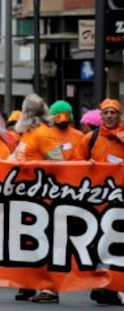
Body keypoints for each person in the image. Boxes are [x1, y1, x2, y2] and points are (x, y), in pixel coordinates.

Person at [9, 94, 63, 303]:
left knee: (43, 242)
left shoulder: (43, 135)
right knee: (28, 243)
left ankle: (49, 289)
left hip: (41, 199)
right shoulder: (28, 133)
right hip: (26, 198)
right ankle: (30, 283)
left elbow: (60, 163)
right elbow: (17, 157)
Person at [73, 98, 124, 305]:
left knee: (118, 243)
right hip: (97, 201)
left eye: (113, 113)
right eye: (106, 113)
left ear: (119, 116)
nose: (110, 116)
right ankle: (107, 286)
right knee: (100, 243)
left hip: (120, 201)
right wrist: (86, 164)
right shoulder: (90, 138)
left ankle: (113, 286)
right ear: (100, 116)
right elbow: (74, 161)